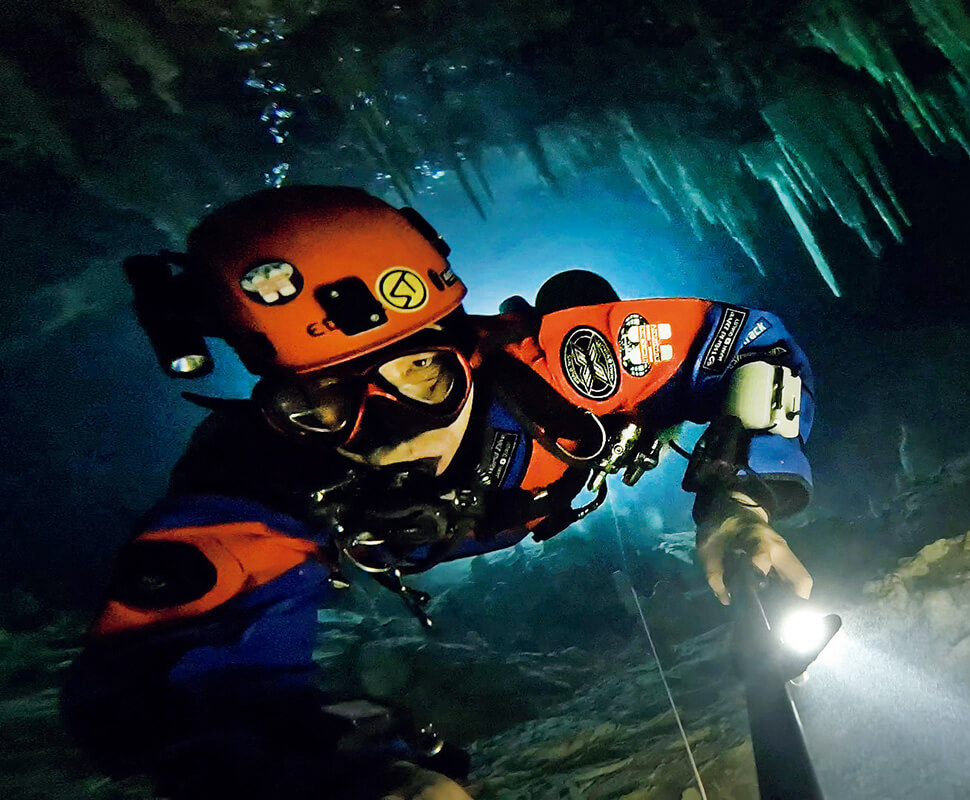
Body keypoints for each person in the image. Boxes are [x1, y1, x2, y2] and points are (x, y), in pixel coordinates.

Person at [62, 185, 818, 799]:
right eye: (327, 402)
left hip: (558, 467)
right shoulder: (257, 476)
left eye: (420, 376)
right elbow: (156, 677)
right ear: (279, 410)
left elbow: (747, 343)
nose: (389, 433)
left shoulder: (560, 364)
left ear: (468, 347)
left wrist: (736, 492)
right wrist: (354, 772)